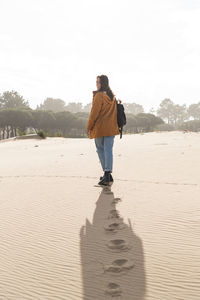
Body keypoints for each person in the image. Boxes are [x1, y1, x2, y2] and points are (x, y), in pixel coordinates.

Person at [86, 75, 120, 186]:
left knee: (100, 149)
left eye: (98, 82)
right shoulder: (112, 96)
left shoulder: (99, 96)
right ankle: (108, 174)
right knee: (108, 150)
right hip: (111, 128)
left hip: (100, 128)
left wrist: (89, 127)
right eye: (96, 82)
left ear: (103, 83)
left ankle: (106, 174)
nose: (96, 84)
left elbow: (94, 113)